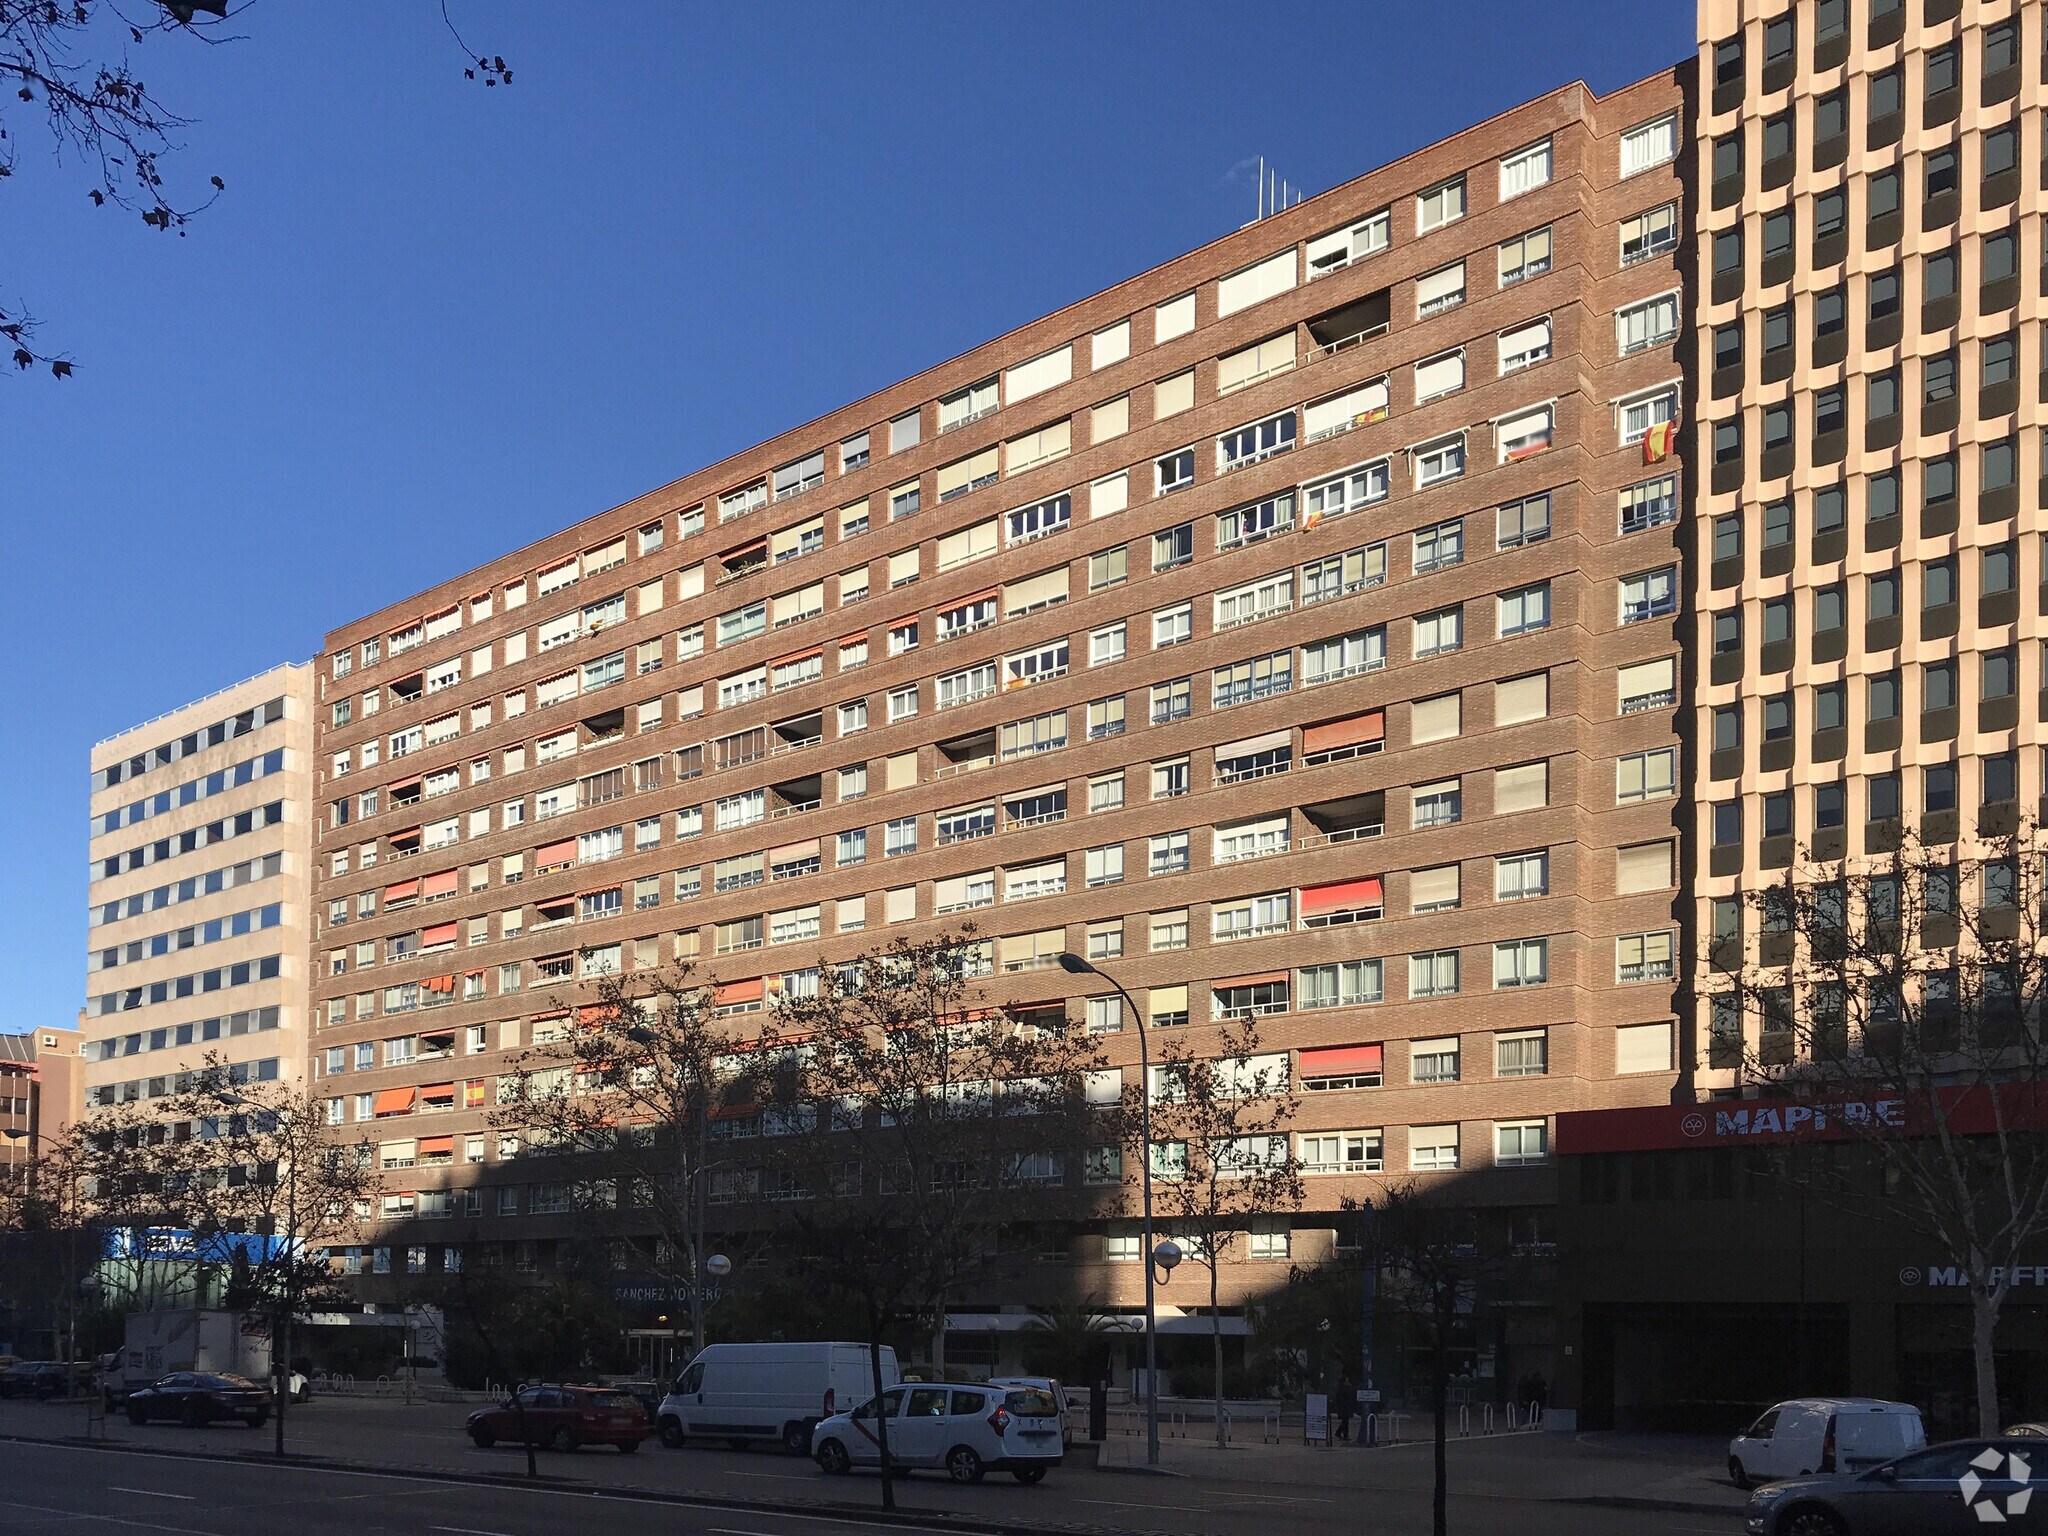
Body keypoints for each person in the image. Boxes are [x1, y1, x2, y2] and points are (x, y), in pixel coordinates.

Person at [1334, 1377, 1356, 1442]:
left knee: (1344, 1422)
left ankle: (1339, 1433)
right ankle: (1344, 1435)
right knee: (1345, 1422)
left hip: (1343, 1408)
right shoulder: (1345, 1389)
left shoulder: (1340, 1388)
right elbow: (1350, 1396)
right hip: (1345, 1408)